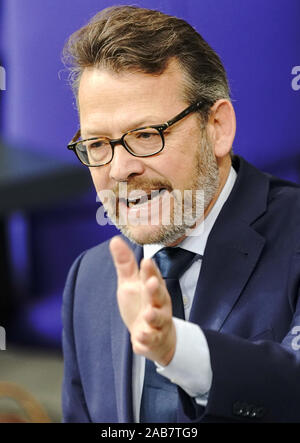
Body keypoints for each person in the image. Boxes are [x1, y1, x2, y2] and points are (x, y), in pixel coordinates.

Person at [61, 5, 300, 423]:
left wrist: (177, 350)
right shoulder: (90, 279)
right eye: (98, 144)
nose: (120, 169)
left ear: (218, 127)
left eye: (146, 134)